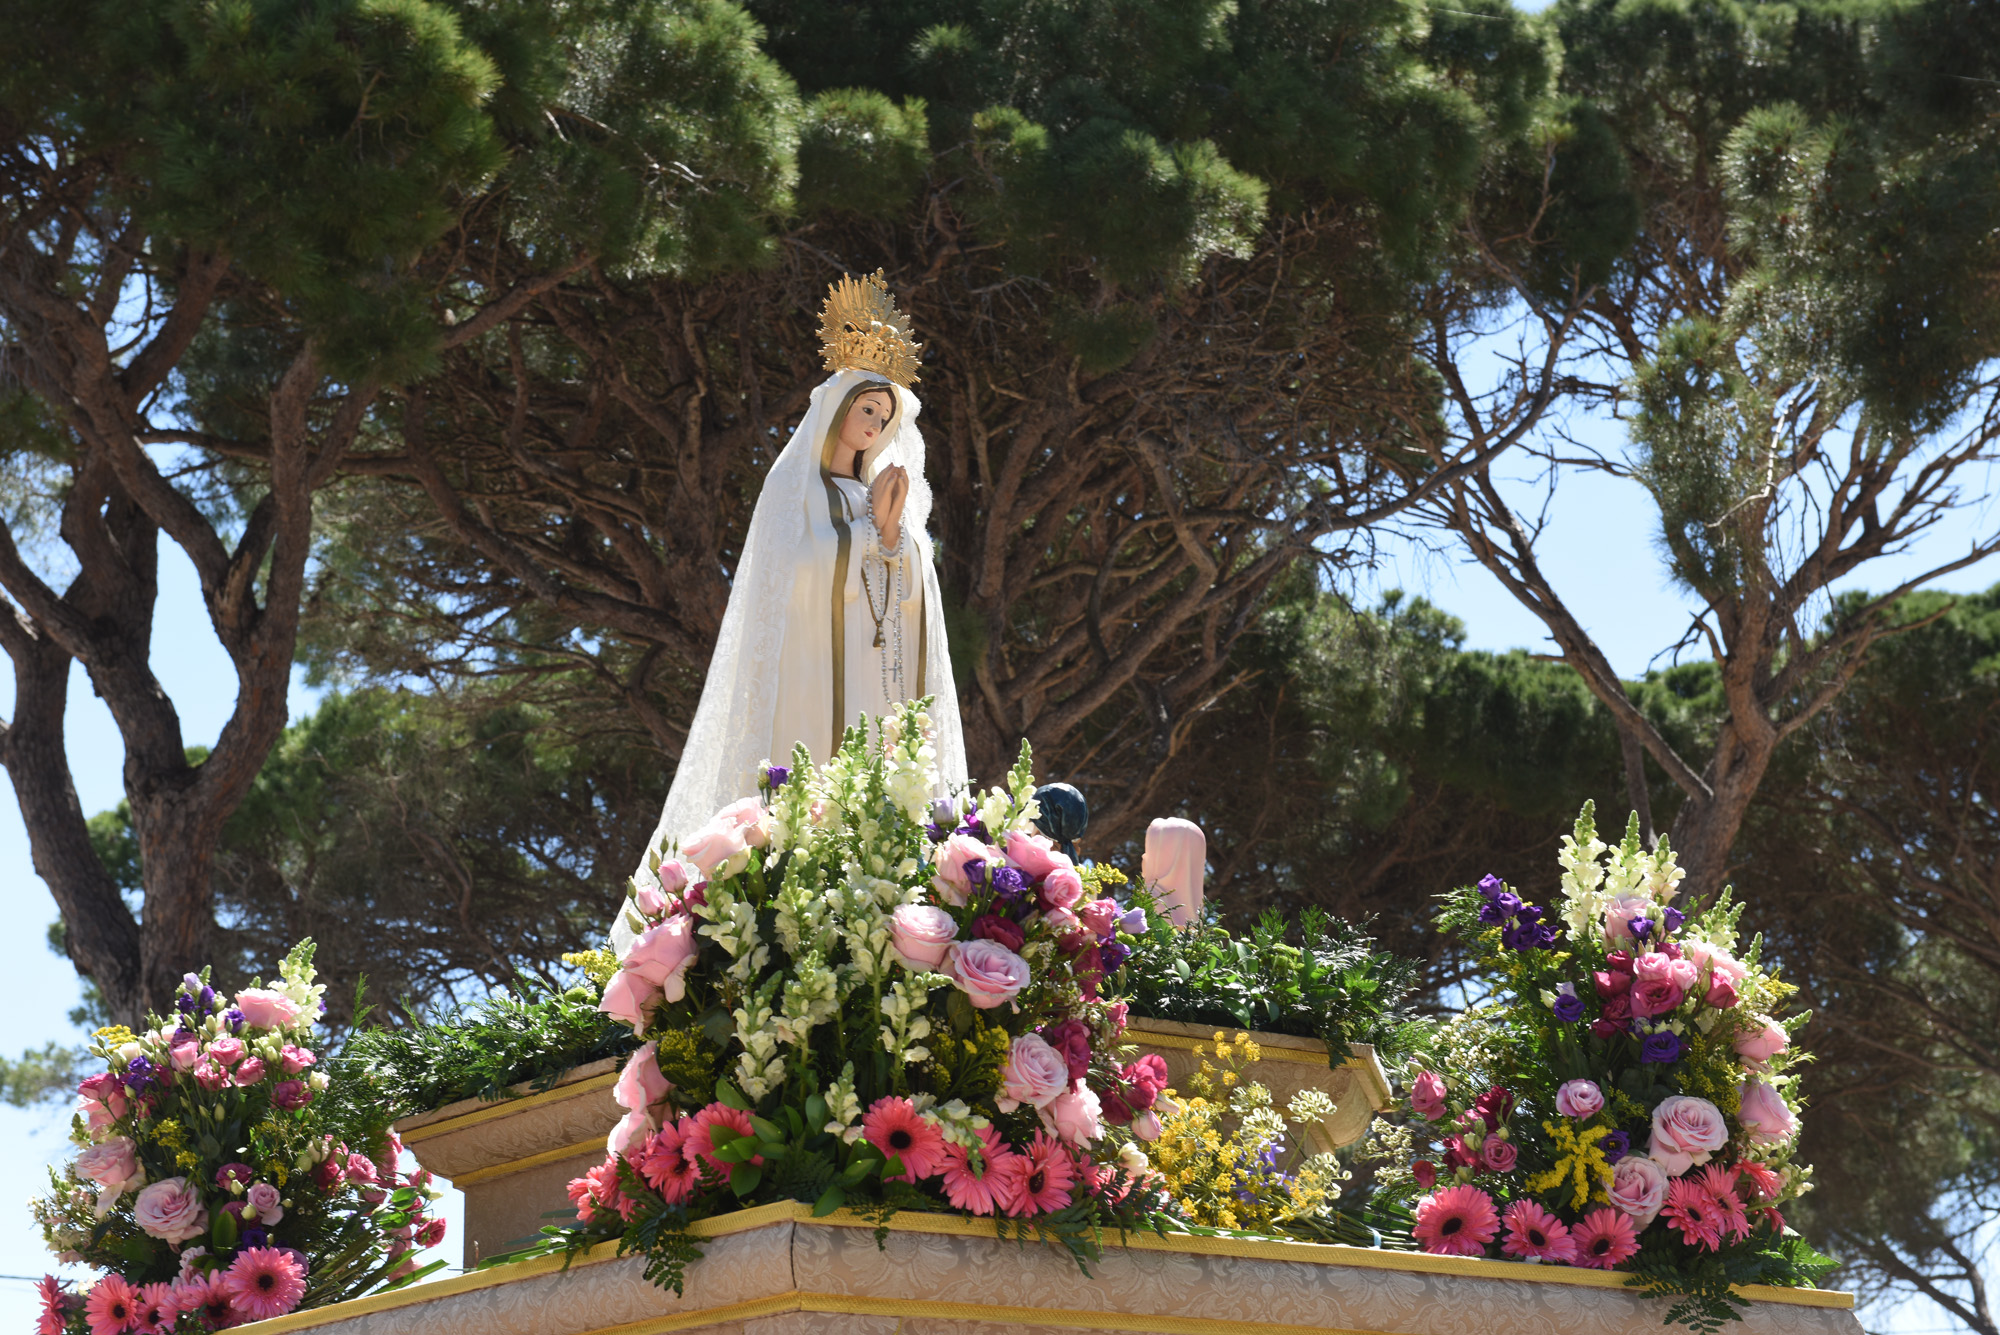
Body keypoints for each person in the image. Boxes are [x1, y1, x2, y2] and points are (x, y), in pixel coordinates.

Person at [635, 271, 968, 874]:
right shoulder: (796, 491)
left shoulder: (878, 494)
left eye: (883, 414)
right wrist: (873, 534)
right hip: (812, 674)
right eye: (866, 406)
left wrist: (896, 540)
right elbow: (799, 570)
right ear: (839, 408)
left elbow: (916, 591)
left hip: (875, 675)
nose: (873, 422)